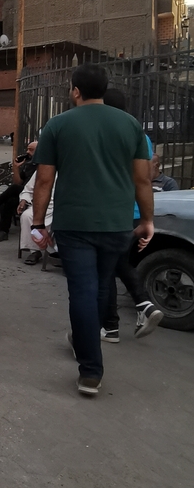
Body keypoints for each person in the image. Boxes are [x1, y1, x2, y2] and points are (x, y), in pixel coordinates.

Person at [32, 64, 154, 396]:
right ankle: (86, 342)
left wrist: (38, 223)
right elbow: (142, 180)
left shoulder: (58, 125)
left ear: (75, 90)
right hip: (116, 224)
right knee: (101, 286)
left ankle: (90, 371)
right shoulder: (130, 125)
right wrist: (146, 220)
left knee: (82, 292)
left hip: (74, 224)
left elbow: (44, 180)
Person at [99, 88, 163, 343]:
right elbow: (145, 178)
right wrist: (148, 217)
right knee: (118, 264)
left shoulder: (105, 134)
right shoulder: (141, 136)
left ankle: (129, 314)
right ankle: (141, 308)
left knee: (110, 268)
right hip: (136, 211)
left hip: (114, 212)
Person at [0, 141, 37, 243]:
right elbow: (18, 181)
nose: (27, 152)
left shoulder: (42, 165)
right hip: (23, 193)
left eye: (31, 150)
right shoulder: (28, 164)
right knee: (10, 201)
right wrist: (16, 167)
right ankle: (3, 232)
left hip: (34, 194)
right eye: (27, 149)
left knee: (14, 188)